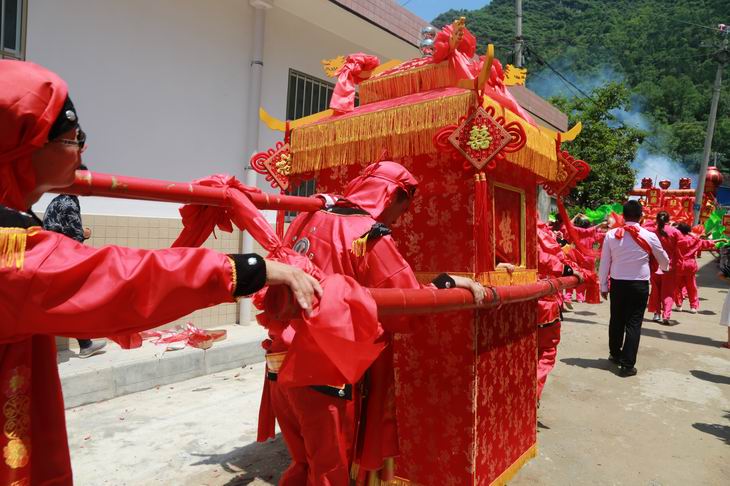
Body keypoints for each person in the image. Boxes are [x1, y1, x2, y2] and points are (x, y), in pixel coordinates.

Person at [0, 60, 322, 485]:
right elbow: (114, 279)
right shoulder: (10, 251)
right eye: (72, 138)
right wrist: (248, 269)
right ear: (22, 146)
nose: (82, 152)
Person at [259, 161, 485, 485]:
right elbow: (404, 303)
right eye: (401, 208)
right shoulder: (366, 234)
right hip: (323, 368)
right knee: (328, 471)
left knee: (303, 461)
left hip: (279, 359)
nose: (398, 219)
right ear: (391, 196)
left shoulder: (311, 214)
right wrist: (448, 283)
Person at [42, 164, 107, 358]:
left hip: (51, 257)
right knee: (75, 301)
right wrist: (85, 234)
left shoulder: (56, 200)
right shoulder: (69, 203)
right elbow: (74, 236)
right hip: (62, 259)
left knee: (66, 301)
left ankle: (85, 343)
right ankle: (84, 344)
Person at [599, 200, 669, 377]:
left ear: (622, 216)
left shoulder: (611, 234)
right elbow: (663, 259)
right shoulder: (649, 235)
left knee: (616, 319)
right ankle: (627, 365)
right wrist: (665, 268)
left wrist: (603, 285)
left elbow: (604, 262)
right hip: (639, 284)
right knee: (634, 323)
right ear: (641, 216)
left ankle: (615, 354)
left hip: (617, 283)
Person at [536, 218, 576, 403]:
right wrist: (568, 270)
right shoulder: (536, 231)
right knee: (546, 351)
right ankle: (531, 394)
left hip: (520, 298)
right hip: (543, 301)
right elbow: (545, 257)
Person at [673, 222, 721, 314]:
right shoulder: (694, 240)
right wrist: (718, 240)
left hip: (678, 265)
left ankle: (679, 305)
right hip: (690, 266)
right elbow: (706, 243)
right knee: (692, 287)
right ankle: (693, 307)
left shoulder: (676, 240)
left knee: (677, 287)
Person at [646, 211, 682, 324]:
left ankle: (657, 314)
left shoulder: (651, 231)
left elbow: (642, 227)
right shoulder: (675, 232)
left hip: (654, 265)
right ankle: (666, 315)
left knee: (655, 291)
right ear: (668, 219)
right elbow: (685, 242)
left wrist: (653, 222)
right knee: (668, 292)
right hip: (669, 266)